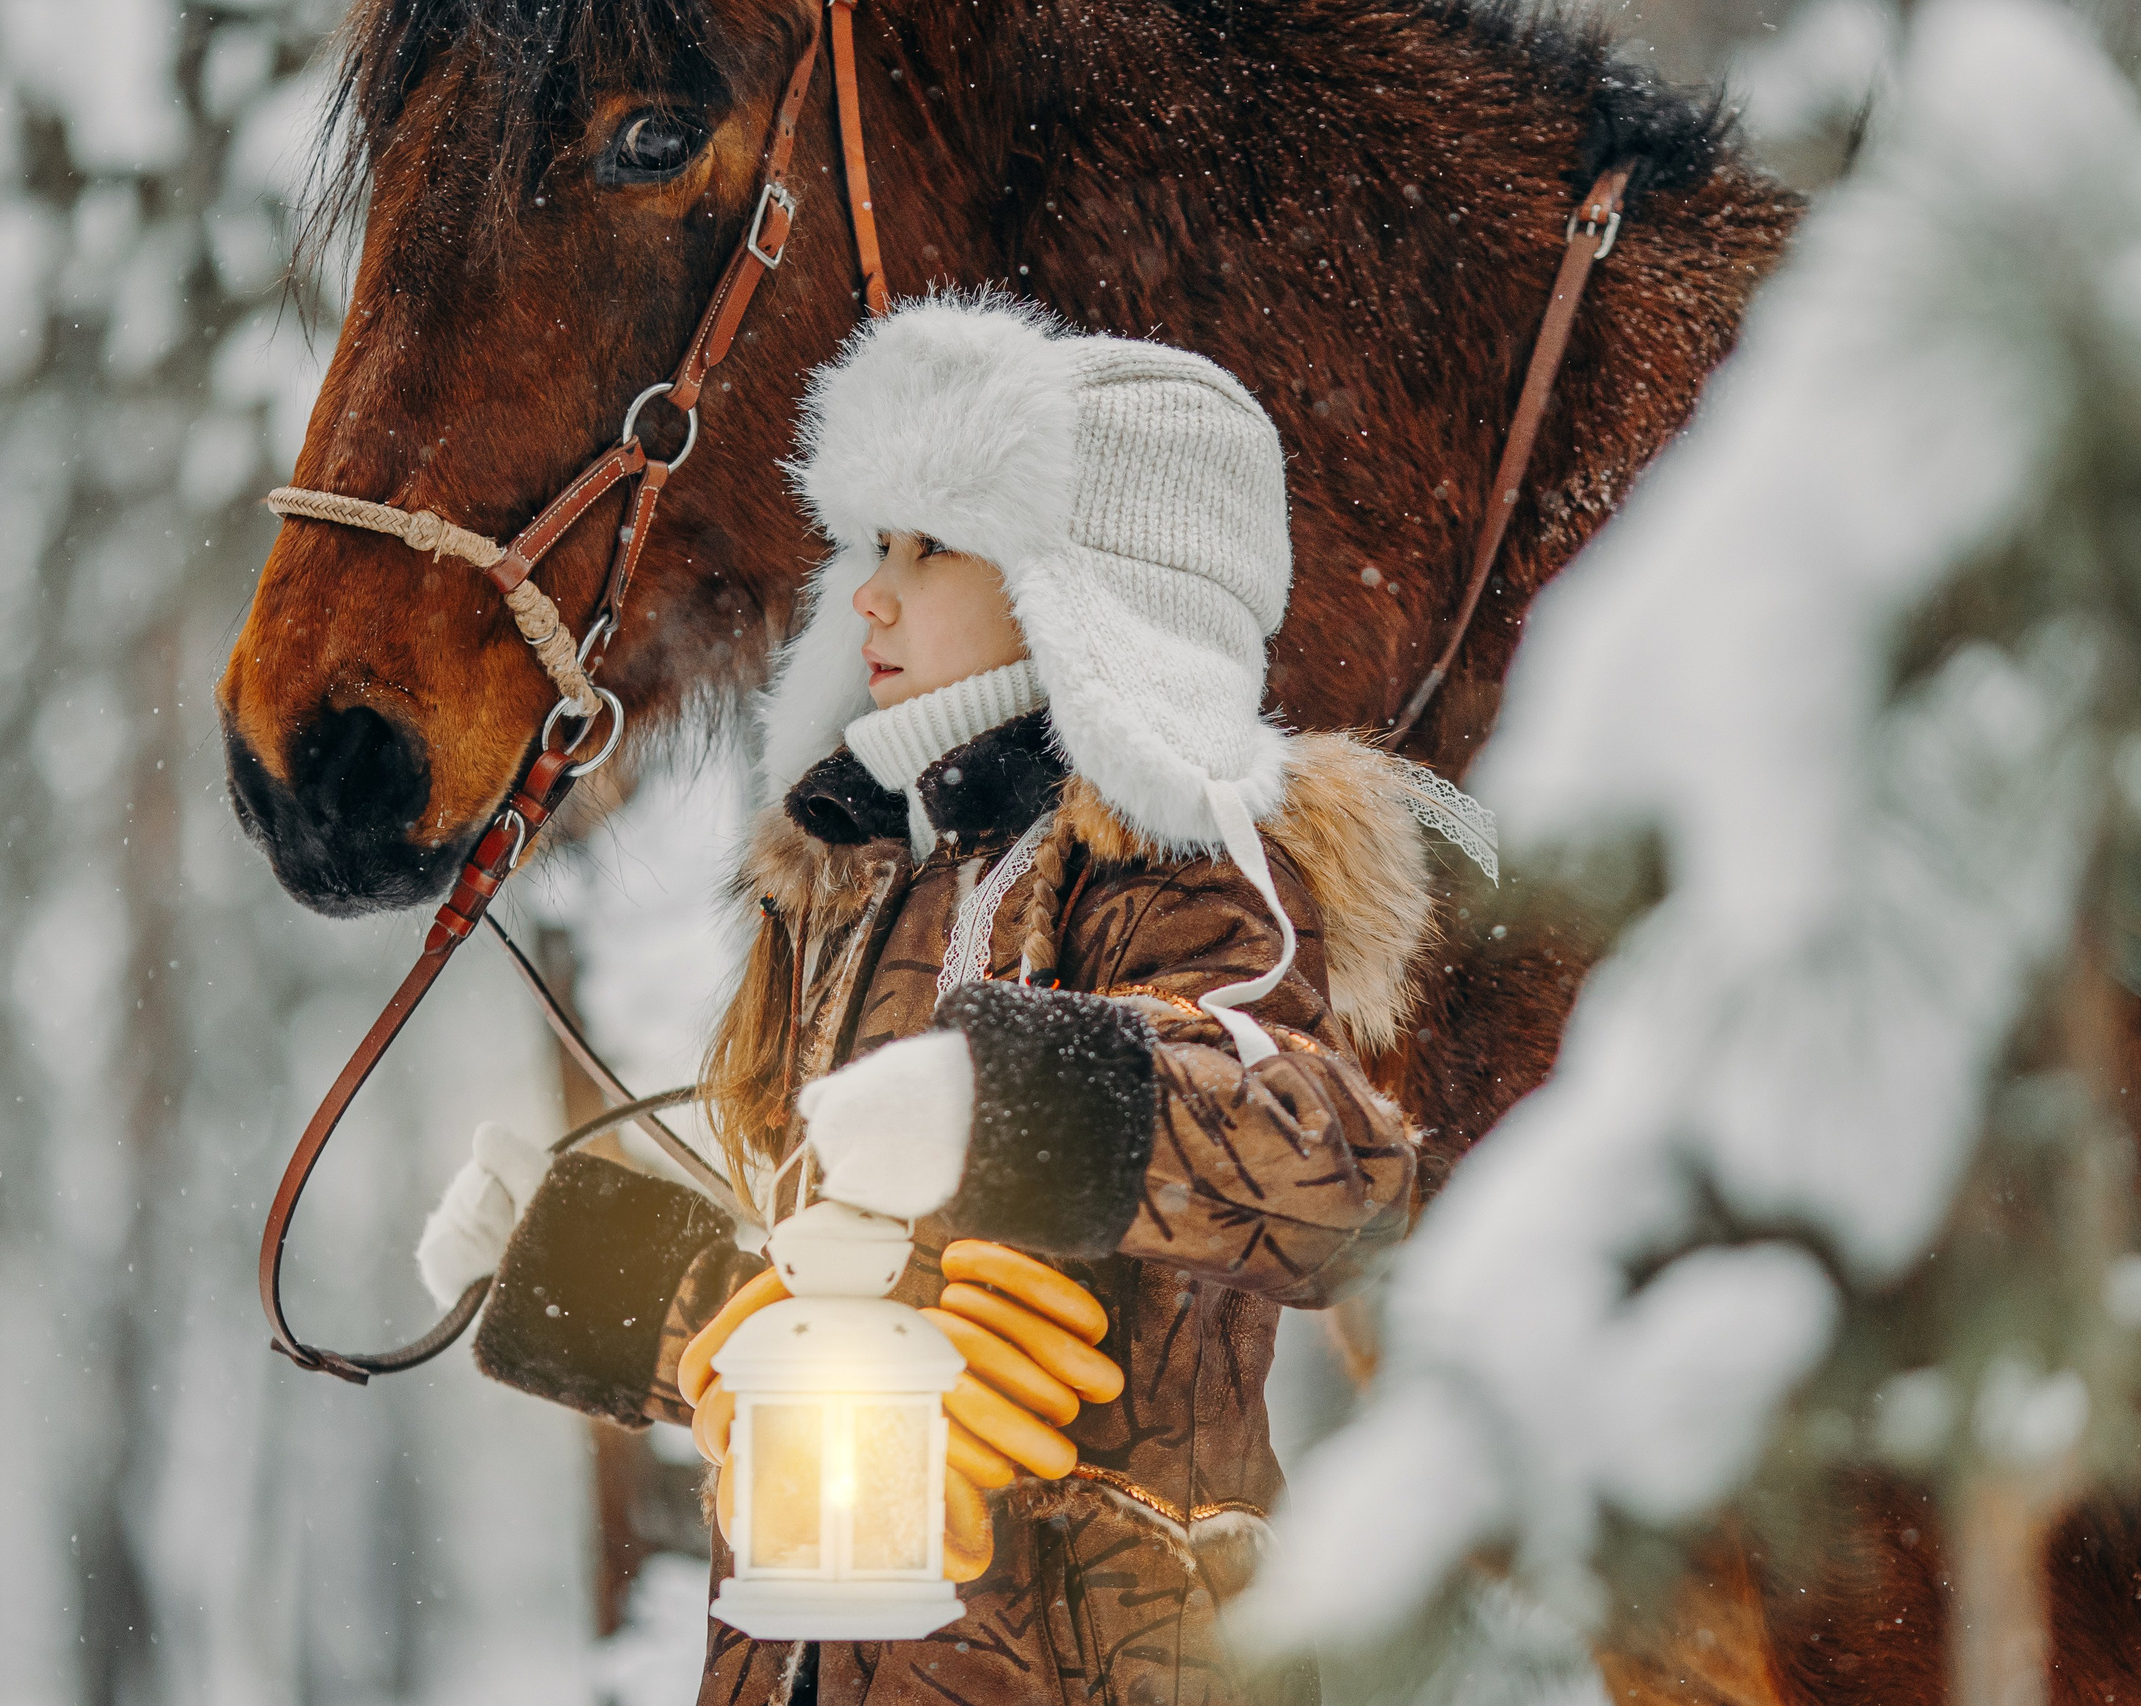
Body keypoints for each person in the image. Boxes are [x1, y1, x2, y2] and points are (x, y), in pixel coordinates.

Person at [417, 294, 1471, 1705]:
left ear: (1078, 579)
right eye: (871, 544)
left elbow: (1330, 1165)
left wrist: (1013, 1099)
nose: (869, 593)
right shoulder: (875, 886)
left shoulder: (1192, 866)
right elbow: (852, 1350)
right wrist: (572, 1267)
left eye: (926, 545)